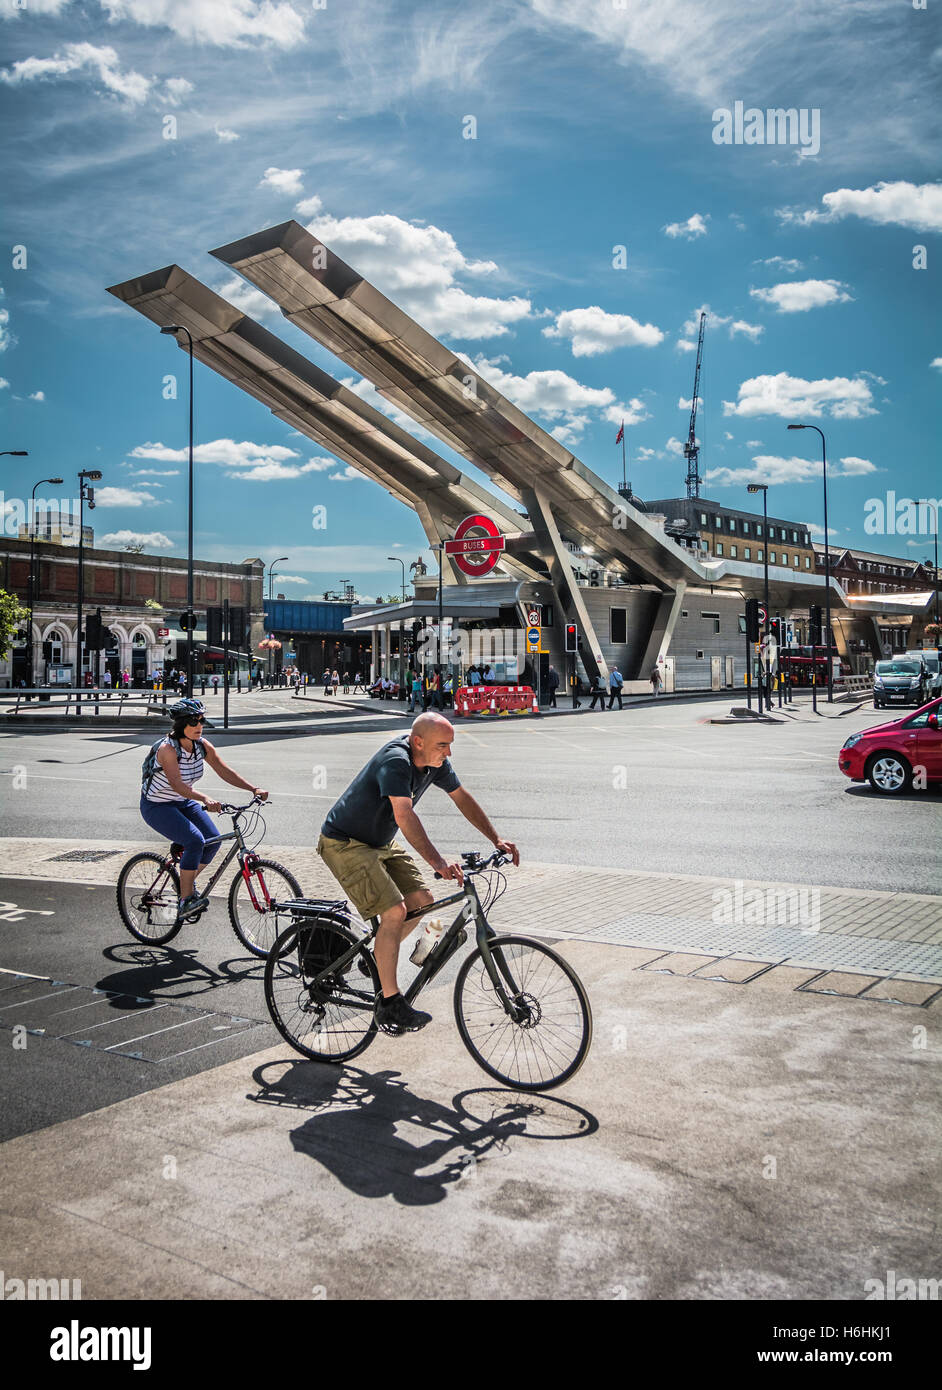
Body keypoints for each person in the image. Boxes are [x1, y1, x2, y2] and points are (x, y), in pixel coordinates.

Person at [317, 712, 519, 1035]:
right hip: (345, 843)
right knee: (394, 911)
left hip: (379, 842)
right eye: (443, 745)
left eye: (450, 746)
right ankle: (389, 1003)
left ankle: (375, 956)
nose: (448, 753)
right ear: (418, 742)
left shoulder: (434, 762)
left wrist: (495, 838)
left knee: (422, 901)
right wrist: (438, 862)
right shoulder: (396, 761)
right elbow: (404, 815)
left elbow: (462, 798)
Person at [139, 697, 268, 921]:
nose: (199, 726)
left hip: (182, 801)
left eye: (201, 721)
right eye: (193, 722)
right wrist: (206, 798)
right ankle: (185, 899)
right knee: (195, 841)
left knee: (213, 840)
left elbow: (224, 771)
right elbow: (177, 785)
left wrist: (253, 788)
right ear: (180, 725)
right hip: (157, 805)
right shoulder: (168, 750)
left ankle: (184, 882)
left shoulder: (202, 746)